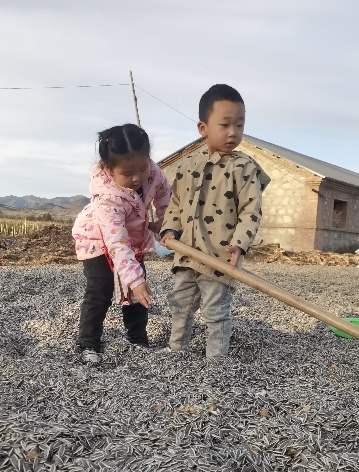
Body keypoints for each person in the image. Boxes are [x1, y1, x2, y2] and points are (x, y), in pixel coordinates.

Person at [160, 84, 270, 358]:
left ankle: (217, 363)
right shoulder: (188, 165)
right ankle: (176, 352)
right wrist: (170, 229)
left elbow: (251, 210)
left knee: (215, 310)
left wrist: (239, 245)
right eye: (225, 124)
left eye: (240, 125)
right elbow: (176, 202)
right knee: (180, 305)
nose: (233, 132)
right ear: (203, 127)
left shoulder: (243, 167)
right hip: (187, 254)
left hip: (220, 257)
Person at [72, 124, 171, 364]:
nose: (137, 177)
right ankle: (88, 343)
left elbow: (164, 192)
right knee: (101, 291)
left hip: (133, 240)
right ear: (108, 169)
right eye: (127, 173)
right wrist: (134, 280)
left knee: (139, 293)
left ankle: (137, 338)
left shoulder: (153, 172)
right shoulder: (108, 198)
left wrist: (165, 220)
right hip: (97, 241)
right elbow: (116, 244)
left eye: (142, 167)